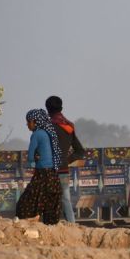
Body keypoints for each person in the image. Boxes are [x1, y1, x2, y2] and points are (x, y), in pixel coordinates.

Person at [16, 109, 63, 225]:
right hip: (52, 174)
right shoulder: (48, 133)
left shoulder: (36, 135)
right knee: (50, 200)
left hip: (42, 174)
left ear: (35, 122)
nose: (27, 125)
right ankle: (50, 225)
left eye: (28, 122)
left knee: (27, 200)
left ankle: (28, 221)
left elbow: (31, 156)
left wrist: (35, 159)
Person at [45, 95, 85, 223]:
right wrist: (66, 160)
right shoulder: (69, 127)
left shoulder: (47, 127)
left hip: (49, 170)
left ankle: (48, 227)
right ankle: (72, 227)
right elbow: (80, 151)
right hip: (63, 169)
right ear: (61, 108)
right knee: (65, 200)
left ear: (47, 109)